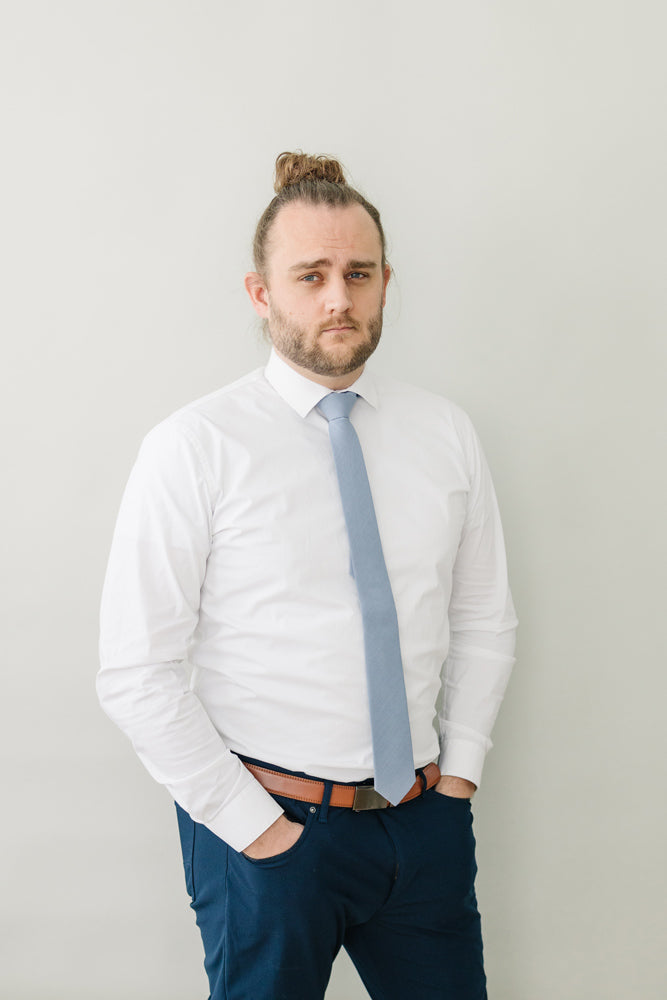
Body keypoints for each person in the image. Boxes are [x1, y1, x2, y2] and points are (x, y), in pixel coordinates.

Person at [98, 151, 517, 1000]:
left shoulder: (443, 433)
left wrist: (458, 778)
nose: (338, 298)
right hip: (268, 830)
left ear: (386, 283)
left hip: (423, 823)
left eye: (358, 274)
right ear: (261, 292)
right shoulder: (195, 446)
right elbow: (136, 673)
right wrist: (255, 832)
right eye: (311, 274)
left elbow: (482, 619)